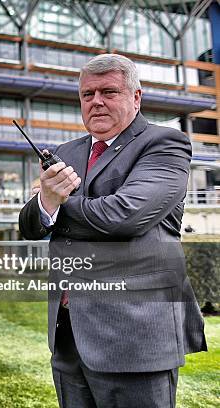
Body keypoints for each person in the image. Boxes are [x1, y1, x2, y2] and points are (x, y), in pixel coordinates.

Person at [19, 54, 206, 408]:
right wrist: (45, 201)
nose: (96, 101)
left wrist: (56, 202)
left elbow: (124, 217)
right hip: (69, 335)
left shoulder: (165, 144)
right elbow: (29, 225)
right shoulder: (65, 152)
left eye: (109, 91)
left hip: (135, 337)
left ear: (136, 97)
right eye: (87, 94)